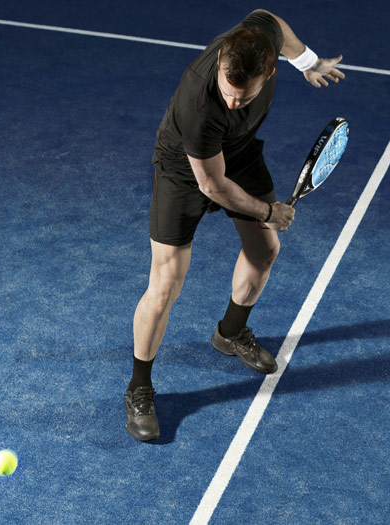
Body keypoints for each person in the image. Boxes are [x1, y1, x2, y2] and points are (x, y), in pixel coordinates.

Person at [125, 9, 345, 441]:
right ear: (220, 61)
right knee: (166, 283)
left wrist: (306, 61)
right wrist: (268, 212)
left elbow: (271, 19)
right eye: (227, 92)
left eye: (242, 99)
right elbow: (212, 185)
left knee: (265, 251)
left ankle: (230, 333)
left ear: (269, 70)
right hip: (185, 170)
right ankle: (139, 387)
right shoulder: (199, 103)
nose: (231, 103)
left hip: (239, 154)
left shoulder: (262, 40)